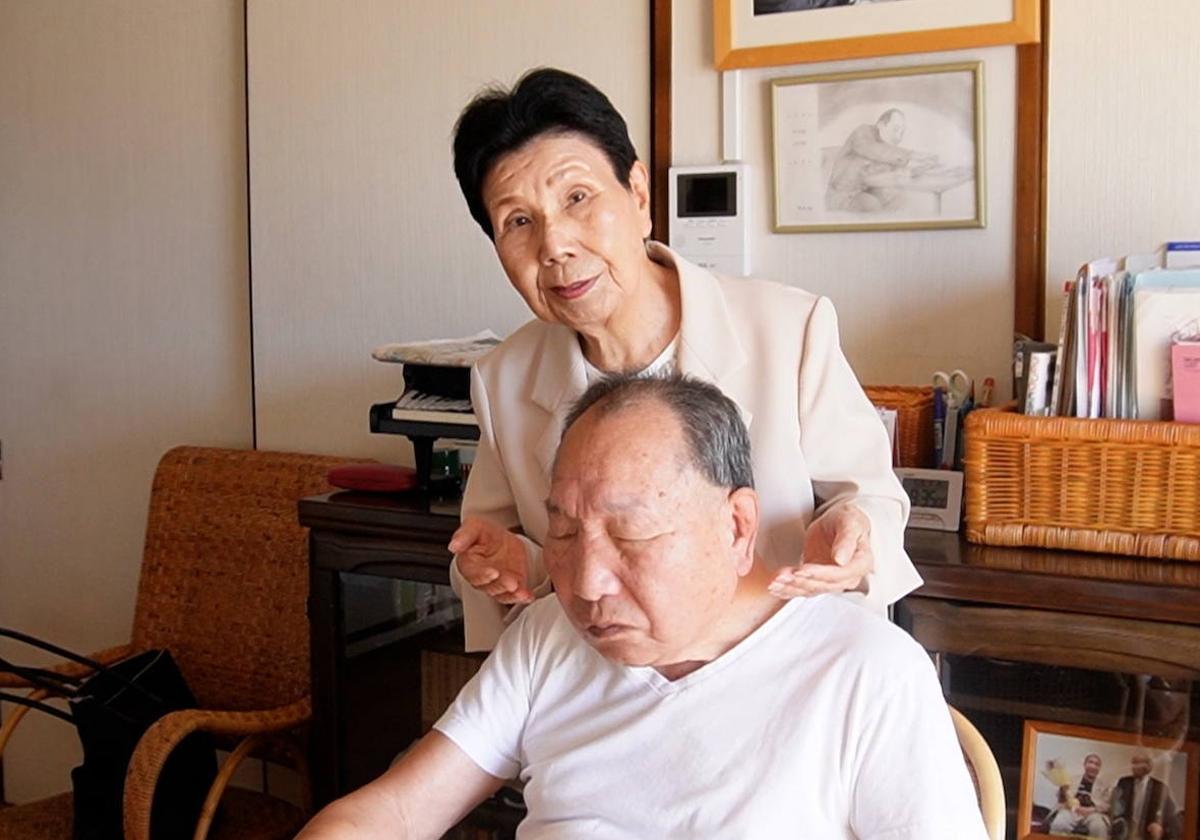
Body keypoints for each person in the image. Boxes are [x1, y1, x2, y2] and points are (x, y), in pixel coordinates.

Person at [296, 374, 987, 839]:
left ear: (738, 527)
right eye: (562, 532)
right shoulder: (547, 636)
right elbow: (396, 812)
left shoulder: (865, 673)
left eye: (630, 535)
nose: (587, 583)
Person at [447, 67, 920, 651]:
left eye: (577, 198)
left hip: (782, 664)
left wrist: (856, 532)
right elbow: (500, 548)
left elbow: (871, 498)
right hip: (611, 686)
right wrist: (510, 563)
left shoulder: (789, 330)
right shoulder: (504, 381)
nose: (555, 245)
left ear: (639, 194)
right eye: (518, 222)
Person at [825, 108, 940, 213]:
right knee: (872, 205)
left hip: (866, 193)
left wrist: (919, 169)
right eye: (896, 129)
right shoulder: (864, 132)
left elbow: (895, 174)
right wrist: (912, 154)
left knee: (901, 200)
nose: (898, 136)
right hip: (843, 197)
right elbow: (875, 150)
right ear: (880, 125)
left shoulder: (889, 151)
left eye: (902, 132)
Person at [1109, 751, 1178, 840]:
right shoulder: (1124, 782)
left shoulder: (1159, 787)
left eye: (1139, 763)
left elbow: (1170, 812)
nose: (1135, 767)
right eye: (1134, 763)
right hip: (1125, 831)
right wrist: (1117, 819)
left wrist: (1160, 825)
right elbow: (1116, 806)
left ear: (1149, 766)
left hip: (1147, 832)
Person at [1048, 753, 1112, 838]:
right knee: (1059, 824)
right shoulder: (1071, 780)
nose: (1093, 766)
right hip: (1071, 811)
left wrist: (1091, 810)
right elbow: (1061, 800)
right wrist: (1062, 790)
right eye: (1090, 762)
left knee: (1099, 827)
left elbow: (1107, 805)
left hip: (1093, 813)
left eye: (1097, 764)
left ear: (1099, 768)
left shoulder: (1105, 785)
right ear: (1085, 765)